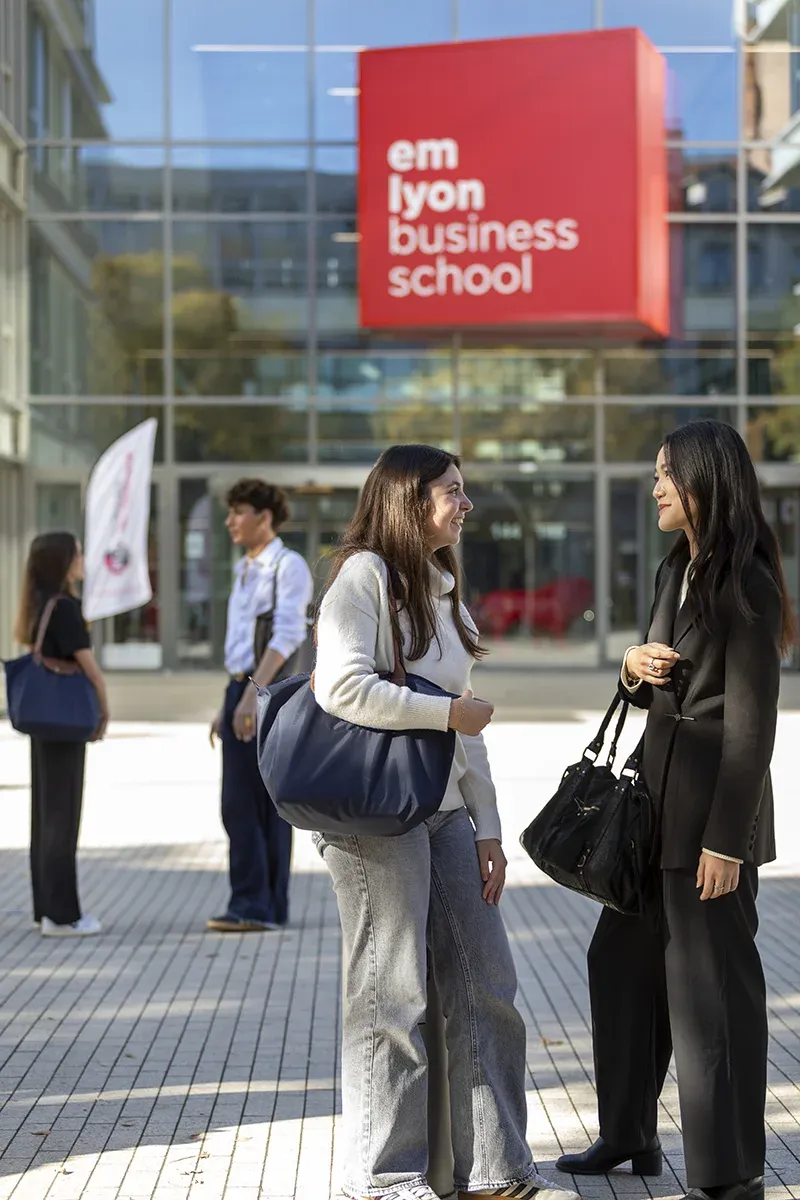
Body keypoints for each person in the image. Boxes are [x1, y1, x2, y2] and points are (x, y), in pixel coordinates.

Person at [313, 445, 580, 1200]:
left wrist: (489, 829)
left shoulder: (441, 587)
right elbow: (339, 686)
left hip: (446, 814)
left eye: (466, 493)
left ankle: (498, 1167)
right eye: (452, 492)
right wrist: (445, 710)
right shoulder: (362, 576)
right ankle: (384, 1179)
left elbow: (467, 731)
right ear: (408, 498)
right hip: (376, 817)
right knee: (390, 996)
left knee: (489, 984)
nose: (466, 506)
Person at [557, 421, 794, 1200]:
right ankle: (628, 1135)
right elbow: (656, 681)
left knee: (709, 1002)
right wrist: (631, 666)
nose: (656, 486)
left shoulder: (748, 582)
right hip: (650, 818)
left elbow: (753, 726)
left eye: (667, 474)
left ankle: (731, 1175)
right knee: (615, 967)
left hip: (709, 833)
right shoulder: (674, 567)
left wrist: (728, 841)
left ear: (705, 481)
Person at [208, 479, 314, 933]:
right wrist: (228, 699)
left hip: (267, 691)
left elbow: (286, 635)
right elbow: (240, 646)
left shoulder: (286, 566)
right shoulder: (245, 568)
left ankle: (255, 905)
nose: (231, 520)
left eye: (239, 512)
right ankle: (263, 905)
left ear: (264, 517)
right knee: (244, 802)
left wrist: (252, 694)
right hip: (243, 688)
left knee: (253, 802)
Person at [13, 532, 109, 938]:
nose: (83, 559)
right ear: (64, 561)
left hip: (44, 724)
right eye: (78, 552)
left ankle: (46, 910)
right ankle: (62, 916)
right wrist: (104, 707)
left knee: (45, 816)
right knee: (61, 818)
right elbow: (89, 667)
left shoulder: (38, 605)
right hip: (67, 724)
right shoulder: (66, 607)